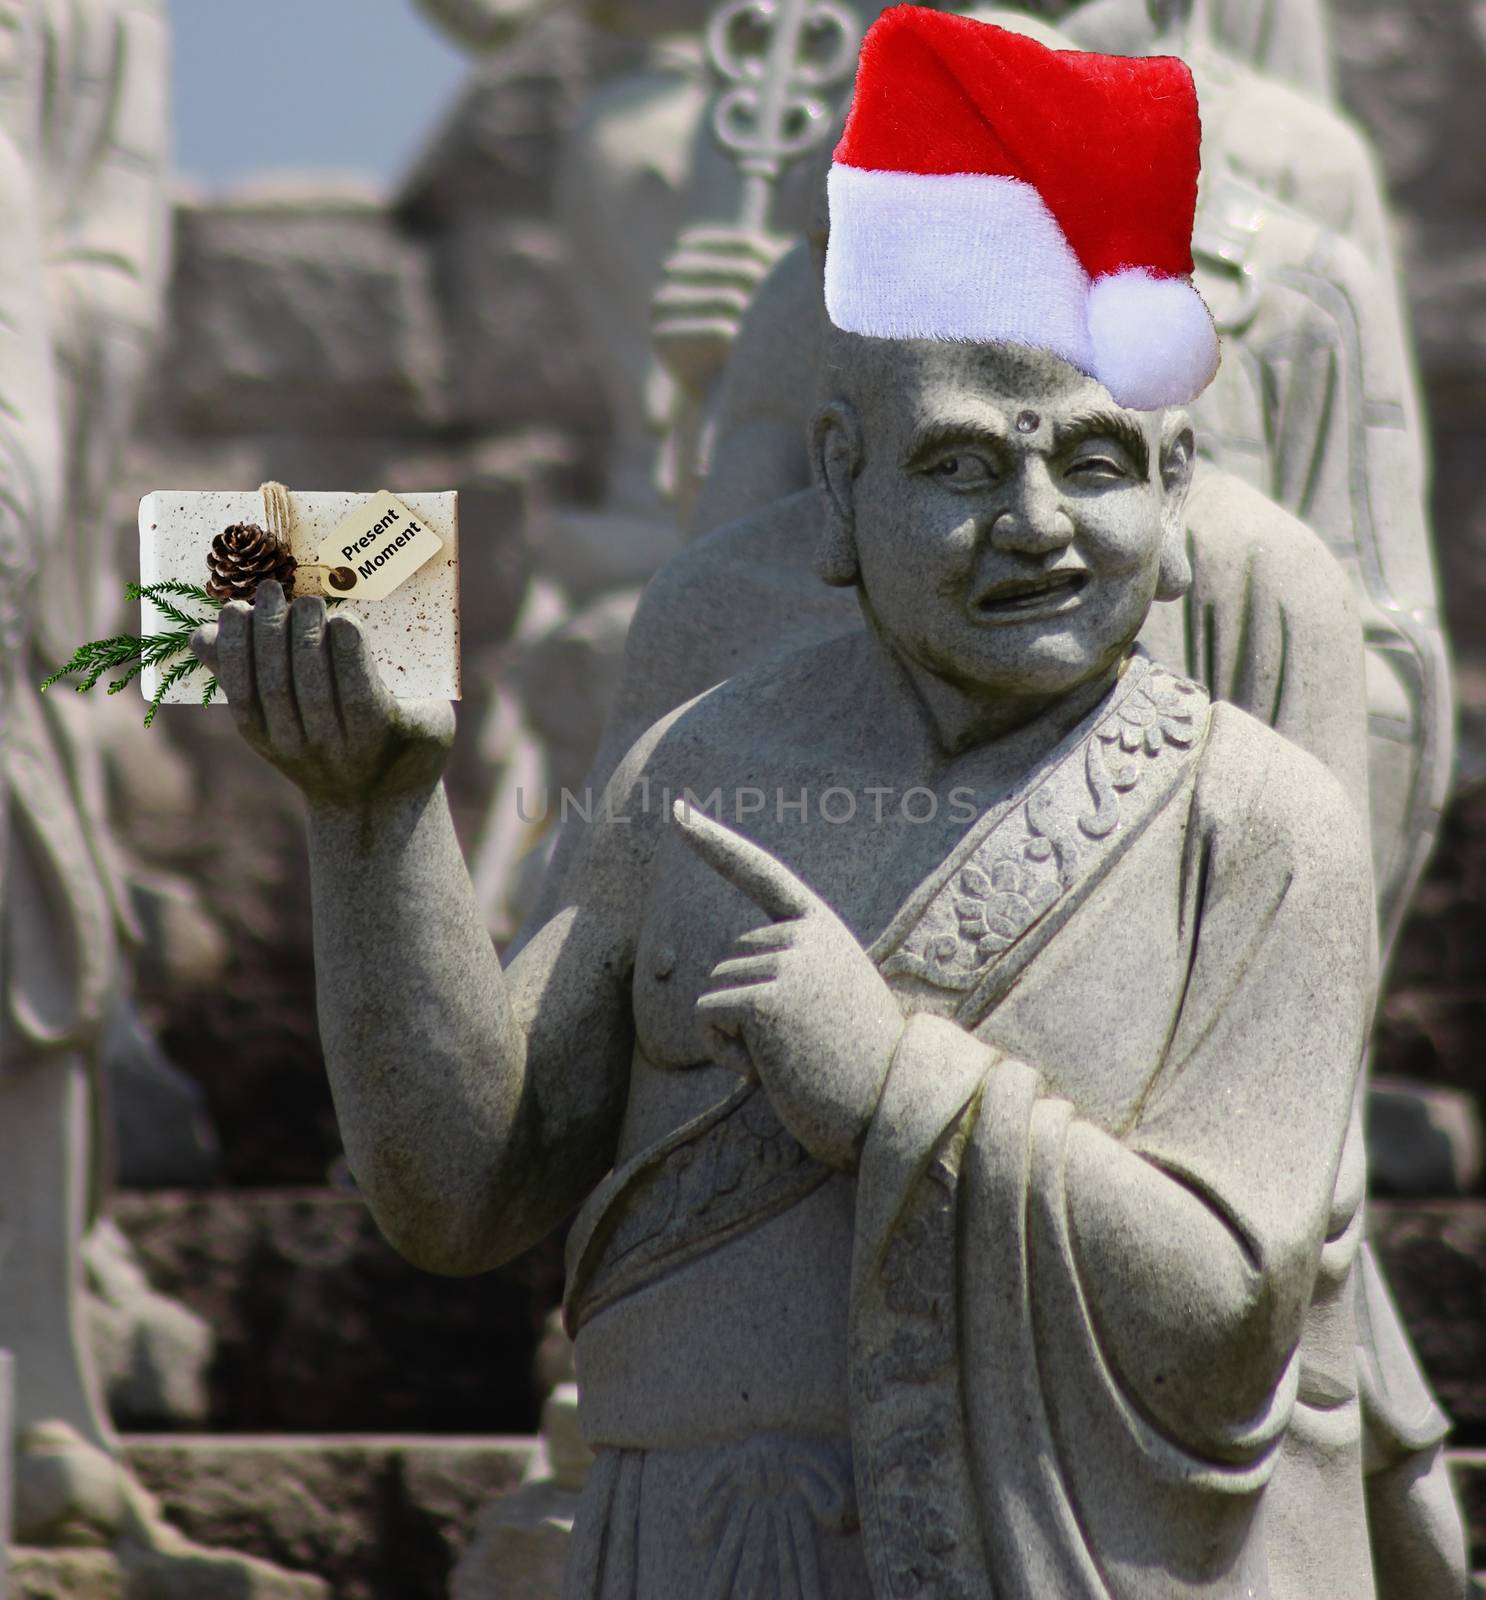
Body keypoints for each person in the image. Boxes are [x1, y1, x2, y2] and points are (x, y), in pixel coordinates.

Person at [195, 15, 1465, 1593]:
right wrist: (374, 824)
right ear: (842, 485)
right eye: (955, 468)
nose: (1037, 526)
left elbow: (1223, 1307)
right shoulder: (698, 760)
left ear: (1179, 474)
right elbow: (462, 1193)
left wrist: (888, 1082)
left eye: (1097, 462)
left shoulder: (1255, 818)